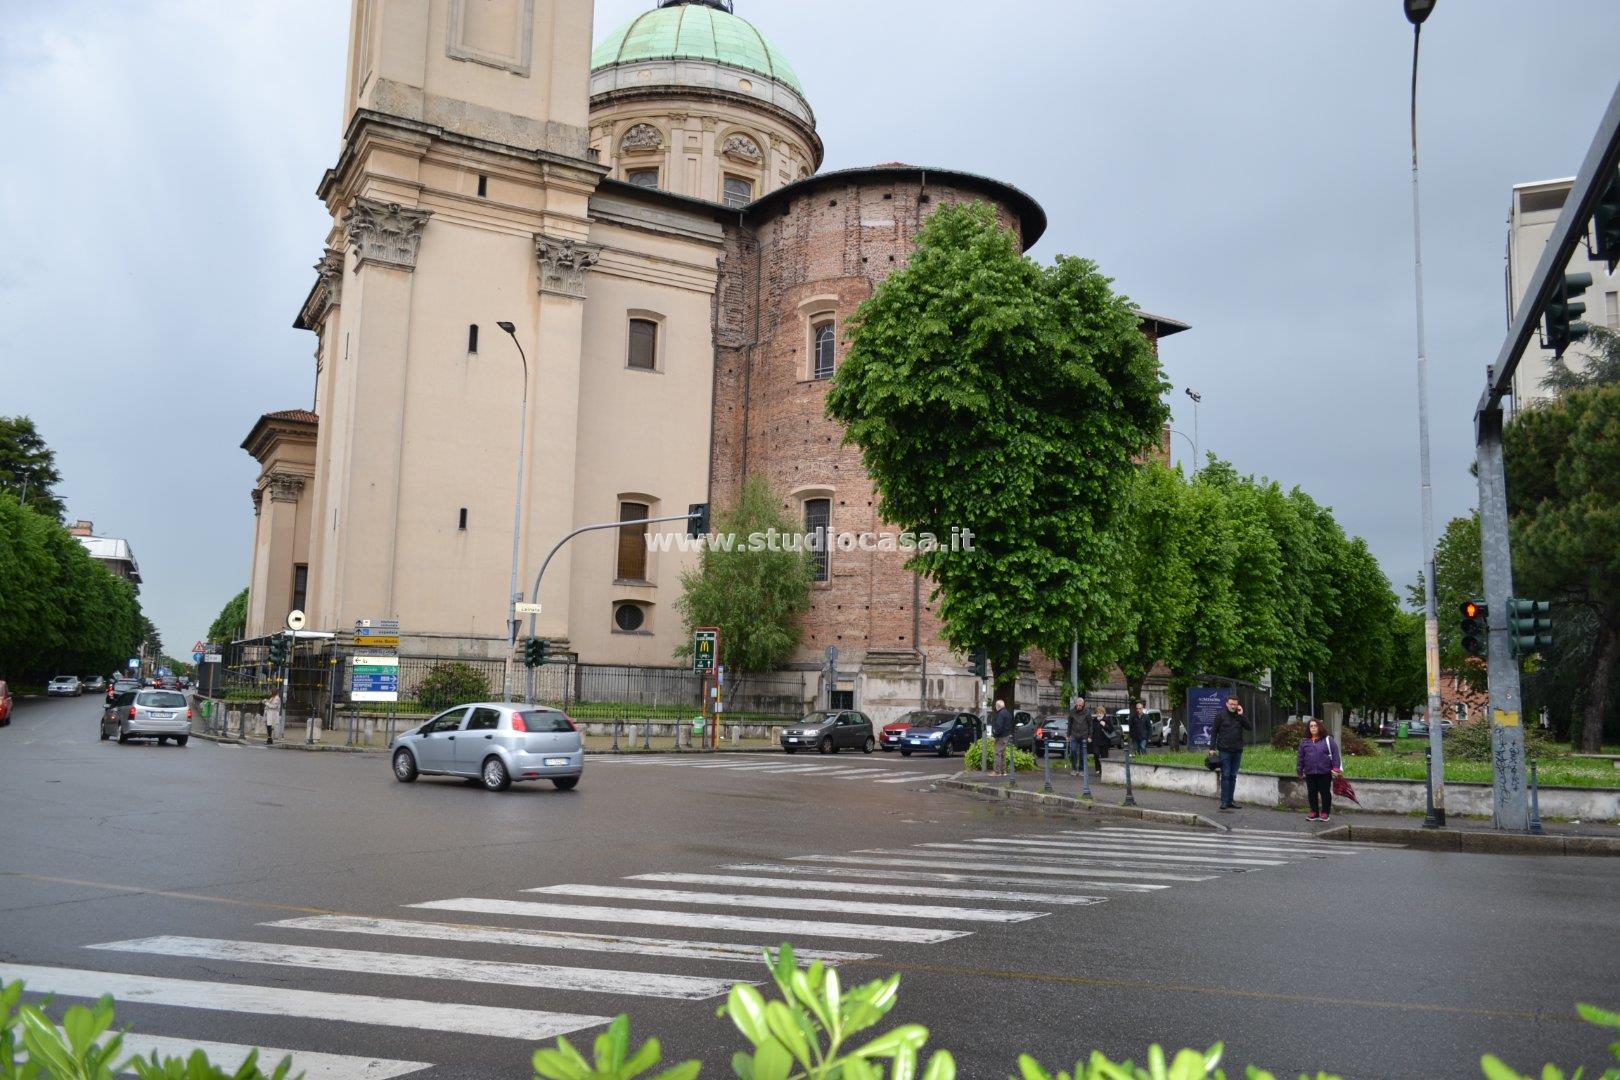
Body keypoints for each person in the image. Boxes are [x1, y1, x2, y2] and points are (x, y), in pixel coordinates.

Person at [1296, 717, 1342, 822]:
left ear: (1319, 727)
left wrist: (1336, 768)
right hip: (1310, 773)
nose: (1313, 728)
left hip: (1324, 772)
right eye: (1311, 726)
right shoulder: (1304, 742)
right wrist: (1299, 770)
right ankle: (1314, 812)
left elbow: (1335, 755)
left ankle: (1325, 812)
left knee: (1325, 793)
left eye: (1315, 726)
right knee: (1311, 793)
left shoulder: (1328, 740)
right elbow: (1300, 757)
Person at [1210, 694, 1250, 811]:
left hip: (1237, 750)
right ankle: (1224, 801)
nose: (1233, 706)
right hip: (1224, 751)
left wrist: (1242, 715)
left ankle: (1230, 801)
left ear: (1238, 705)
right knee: (1226, 775)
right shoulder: (1220, 716)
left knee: (1233, 776)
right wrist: (1212, 748)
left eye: (1235, 704)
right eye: (1231, 704)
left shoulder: (1239, 716)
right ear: (1227, 704)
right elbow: (1214, 732)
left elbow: (1249, 727)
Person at [991, 699, 1014, 775]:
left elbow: (999, 727)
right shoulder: (1008, 713)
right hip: (1006, 735)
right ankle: (1003, 771)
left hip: (1001, 736)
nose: (995, 707)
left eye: (996, 706)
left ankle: (997, 771)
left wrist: (995, 735)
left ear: (998, 706)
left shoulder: (1000, 714)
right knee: (1003, 754)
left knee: (998, 753)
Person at [1065, 695, 1086, 775]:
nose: (1078, 707)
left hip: (1083, 735)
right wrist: (1068, 734)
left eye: (1080, 705)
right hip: (1074, 734)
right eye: (1077, 705)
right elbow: (1069, 724)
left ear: (1083, 705)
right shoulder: (1072, 712)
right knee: (1073, 750)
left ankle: (1081, 769)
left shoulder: (1086, 712)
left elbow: (1090, 725)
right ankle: (1074, 768)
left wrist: (1090, 736)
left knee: (1082, 753)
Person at [1089, 704, 1111, 775]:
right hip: (1096, 741)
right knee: (1096, 754)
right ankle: (1098, 768)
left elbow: (1111, 730)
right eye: (1097, 713)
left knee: (1104, 756)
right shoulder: (1094, 720)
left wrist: (1105, 725)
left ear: (1103, 713)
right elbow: (1092, 729)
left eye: (1100, 713)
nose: (1099, 714)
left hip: (1105, 741)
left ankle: (1103, 769)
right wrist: (1090, 737)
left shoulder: (1107, 719)